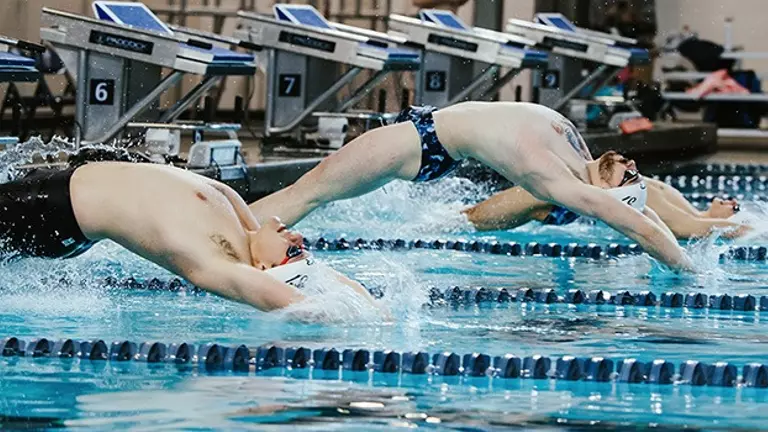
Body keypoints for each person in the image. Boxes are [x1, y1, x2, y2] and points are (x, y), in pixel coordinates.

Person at [249, 102, 694, 271]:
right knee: (310, 193)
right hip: (434, 140)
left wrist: (687, 271)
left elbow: (634, 224)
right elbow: (643, 213)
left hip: (418, 142)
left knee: (306, 193)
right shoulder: (578, 156)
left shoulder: (558, 180)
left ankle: (234, 238)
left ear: (607, 194)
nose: (632, 164)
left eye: (629, 177)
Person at [0, 160, 380, 314]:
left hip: (46, 212)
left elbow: (288, 302)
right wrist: (376, 310)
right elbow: (320, 275)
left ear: (264, 269)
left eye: (293, 250)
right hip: (54, 188)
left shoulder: (214, 262)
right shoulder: (244, 226)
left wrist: (340, 320)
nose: (297, 237)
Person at [463, 151, 751, 240]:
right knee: (475, 218)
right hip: (576, 195)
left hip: (568, 197)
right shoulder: (685, 206)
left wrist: (752, 230)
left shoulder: (681, 218)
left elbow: (696, 228)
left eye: (735, 209)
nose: (732, 203)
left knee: (467, 221)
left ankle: (448, 222)